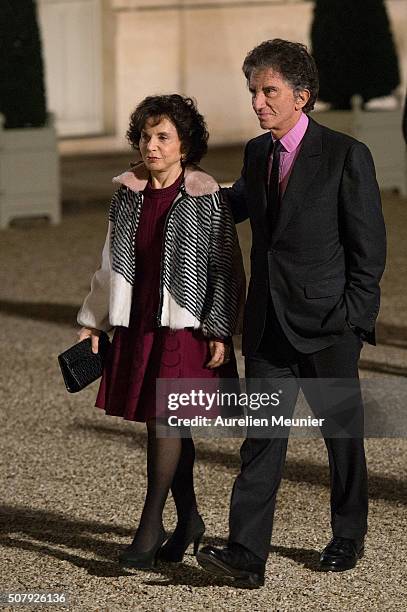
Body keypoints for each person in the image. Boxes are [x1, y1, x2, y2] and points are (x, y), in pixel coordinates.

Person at [197, 39, 386, 588]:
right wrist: (173, 193)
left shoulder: (348, 155)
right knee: (262, 440)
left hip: (330, 325)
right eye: (253, 91)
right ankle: (245, 555)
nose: (258, 102)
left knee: (341, 440)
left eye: (269, 91)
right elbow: (239, 210)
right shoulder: (258, 154)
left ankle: (348, 535)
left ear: (301, 96)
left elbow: (368, 249)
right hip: (267, 326)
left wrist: (353, 319)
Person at [77, 94, 245, 569]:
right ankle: (189, 518)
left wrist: (219, 329)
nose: (151, 146)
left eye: (163, 137)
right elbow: (109, 264)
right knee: (165, 421)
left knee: (165, 421)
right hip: (139, 323)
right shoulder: (127, 194)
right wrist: (92, 322)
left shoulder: (206, 196)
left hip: (184, 327)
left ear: (184, 145)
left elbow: (225, 268)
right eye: (146, 137)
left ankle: (149, 527)